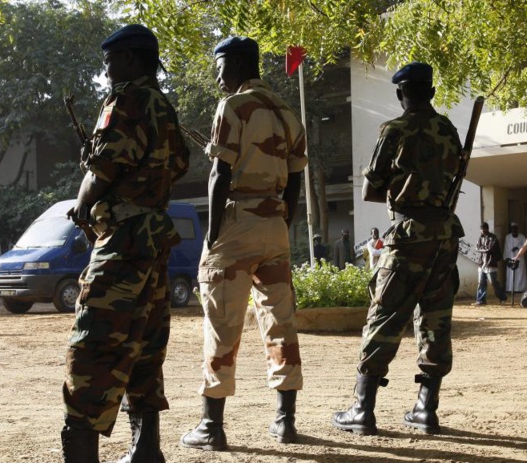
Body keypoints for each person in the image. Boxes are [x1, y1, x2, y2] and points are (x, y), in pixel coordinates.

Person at [60, 24, 190, 463]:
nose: (108, 70)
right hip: (154, 240)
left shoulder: (127, 100)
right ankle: (145, 451)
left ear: (132, 59)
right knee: (145, 342)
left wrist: (82, 206)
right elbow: (178, 165)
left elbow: (105, 167)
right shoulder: (165, 108)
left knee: (93, 343)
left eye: (111, 61)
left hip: (122, 240)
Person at [180, 36, 306, 451]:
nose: (217, 77)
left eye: (219, 67)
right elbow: (297, 177)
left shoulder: (233, 106)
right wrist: (285, 218)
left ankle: (211, 427)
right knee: (280, 322)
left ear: (236, 63)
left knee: (222, 321)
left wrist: (214, 232)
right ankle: (285, 421)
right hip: (275, 224)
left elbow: (219, 173)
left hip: (237, 222)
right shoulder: (288, 112)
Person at [331, 62, 464, 436]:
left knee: (384, 317)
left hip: (408, 235)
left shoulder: (394, 130)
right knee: (435, 320)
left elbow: (369, 189)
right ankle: (426, 409)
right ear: (432, 93)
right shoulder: (448, 130)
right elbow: (453, 174)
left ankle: (363, 409)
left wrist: (401, 187)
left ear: (400, 94)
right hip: (444, 236)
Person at [474, 222, 506, 305]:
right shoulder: (480, 238)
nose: (482, 231)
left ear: (487, 229)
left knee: (493, 282)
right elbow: (477, 248)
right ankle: (480, 300)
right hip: (482, 263)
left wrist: (483, 249)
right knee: (481, 282)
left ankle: (502, 297)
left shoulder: (493, 238)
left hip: (490, 263)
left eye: (483, 229)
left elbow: (490, 249)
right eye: (481, 229)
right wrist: (484, 249)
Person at [503, 223, 527, 293]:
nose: (514, 230)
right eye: (512, 228)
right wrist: (506, 258)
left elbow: (525, 246)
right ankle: (511, 289)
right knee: (511, 274)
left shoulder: (522, 237)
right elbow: (506, 248)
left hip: (520, 258)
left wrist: (518, 247)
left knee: (520, 274)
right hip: (510, 257)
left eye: (515, 228)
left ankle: (520, 289)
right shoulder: (508, 237)